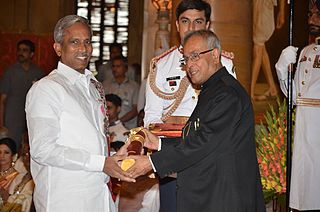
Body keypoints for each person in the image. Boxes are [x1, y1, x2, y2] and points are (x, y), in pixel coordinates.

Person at [128, 29, 265, 212]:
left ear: (215, 55)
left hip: (225, 197)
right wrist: (160, 144)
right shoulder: (213, 89)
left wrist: (151, 163)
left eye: (195, 56)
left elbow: (202, 143)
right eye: (186, 59)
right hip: (214, 193)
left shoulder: (226, 94)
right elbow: (201, 137)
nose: (189, 65)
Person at [25, 15, 134, 212]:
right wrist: (101, 163)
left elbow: (87, 141)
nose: (83, 49)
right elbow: (43, 149)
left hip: (98, 196)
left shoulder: (92, 86)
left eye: (87, 42)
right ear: (58, 48)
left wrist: (114, 157)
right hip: (66, 200)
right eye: (74, 42)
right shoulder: (47, 89)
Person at [144, 1, 236, 211]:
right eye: (185, 21)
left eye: (198, 21)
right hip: (174, 157)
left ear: (208, 24)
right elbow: (151, 118)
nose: (191, 28)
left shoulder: (224, 64)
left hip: (212, 159)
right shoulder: (162, 65)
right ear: (177, 25)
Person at [274, 1, 320, 210]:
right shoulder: (306, 52)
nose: (311, 19)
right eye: (310, 14)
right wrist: (282, 69)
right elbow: (293, 96)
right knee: (305, 192)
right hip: (303, 130)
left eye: (317, 14)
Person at [0, 39, 44, 148]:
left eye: (24, 50)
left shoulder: (38, 73)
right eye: (19, 50)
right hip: (12, 120)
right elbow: (2, 100)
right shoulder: (10, 72)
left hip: (31, 120)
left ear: (31, 54)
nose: (21, 53)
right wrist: (1, 125)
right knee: (11, 149)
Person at [251, 0, 285, 101]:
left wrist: (282, 11)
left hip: (263, 6)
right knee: (261, 48)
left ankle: (250, 93)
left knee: (258, 47)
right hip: (257, 5)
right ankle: (272, 88)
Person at [103, 56, 139, 129]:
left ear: (126, 69)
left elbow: (136, 109)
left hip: (128, 127)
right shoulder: (105, 85)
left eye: (118, 66)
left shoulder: (134, 86)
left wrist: (118, 122)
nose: (115, 69)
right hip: (108, 128)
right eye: (113, 66)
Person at [0, 137, 34, 212]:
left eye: (6, 152)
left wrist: (6, 197)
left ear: (13, 156)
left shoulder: (17, 177)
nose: (2, 156)